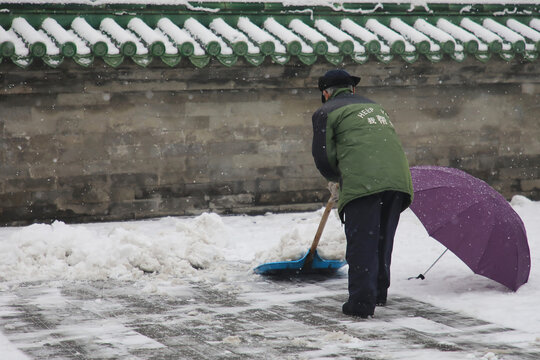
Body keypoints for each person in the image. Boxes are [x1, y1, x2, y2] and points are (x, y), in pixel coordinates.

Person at [311, 69, 414, 318]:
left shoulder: (325, 112)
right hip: (398, 180)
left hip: (363, 183)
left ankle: (360, 303)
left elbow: (324, 157)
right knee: (381, 239)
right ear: (352, 89)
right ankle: (377, 292)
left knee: (362, 243)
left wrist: (335, 179)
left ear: (325, 93)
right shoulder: (376, 108)